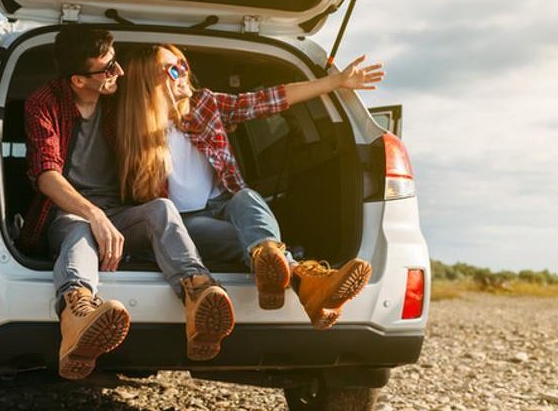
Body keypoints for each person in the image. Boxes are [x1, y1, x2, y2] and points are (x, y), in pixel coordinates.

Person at [114, 44, 384, 329]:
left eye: (183, 65)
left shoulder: (205, 106)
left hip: (223, 205)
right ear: (146, 80)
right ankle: (306, 282)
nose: (184, 73)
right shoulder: (127, 128)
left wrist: (335, 82)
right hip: (181, 225)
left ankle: (275, 265)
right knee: (245, 238)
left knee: (247, 197)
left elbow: (267, 100)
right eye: (173, 68)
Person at [20, 27, 235, 380]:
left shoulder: (118, 99)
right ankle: (78, 316)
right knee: (78, 234)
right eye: (107, 69)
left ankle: (198, 295)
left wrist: (174, 73)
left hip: (121, 210)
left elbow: (161, 99)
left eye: (116, 63)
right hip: (68, 211)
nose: (118, 73)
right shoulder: (44, 102)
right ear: (77, 79)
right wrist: (94, 215)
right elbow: (46, 175)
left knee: (162, 210)